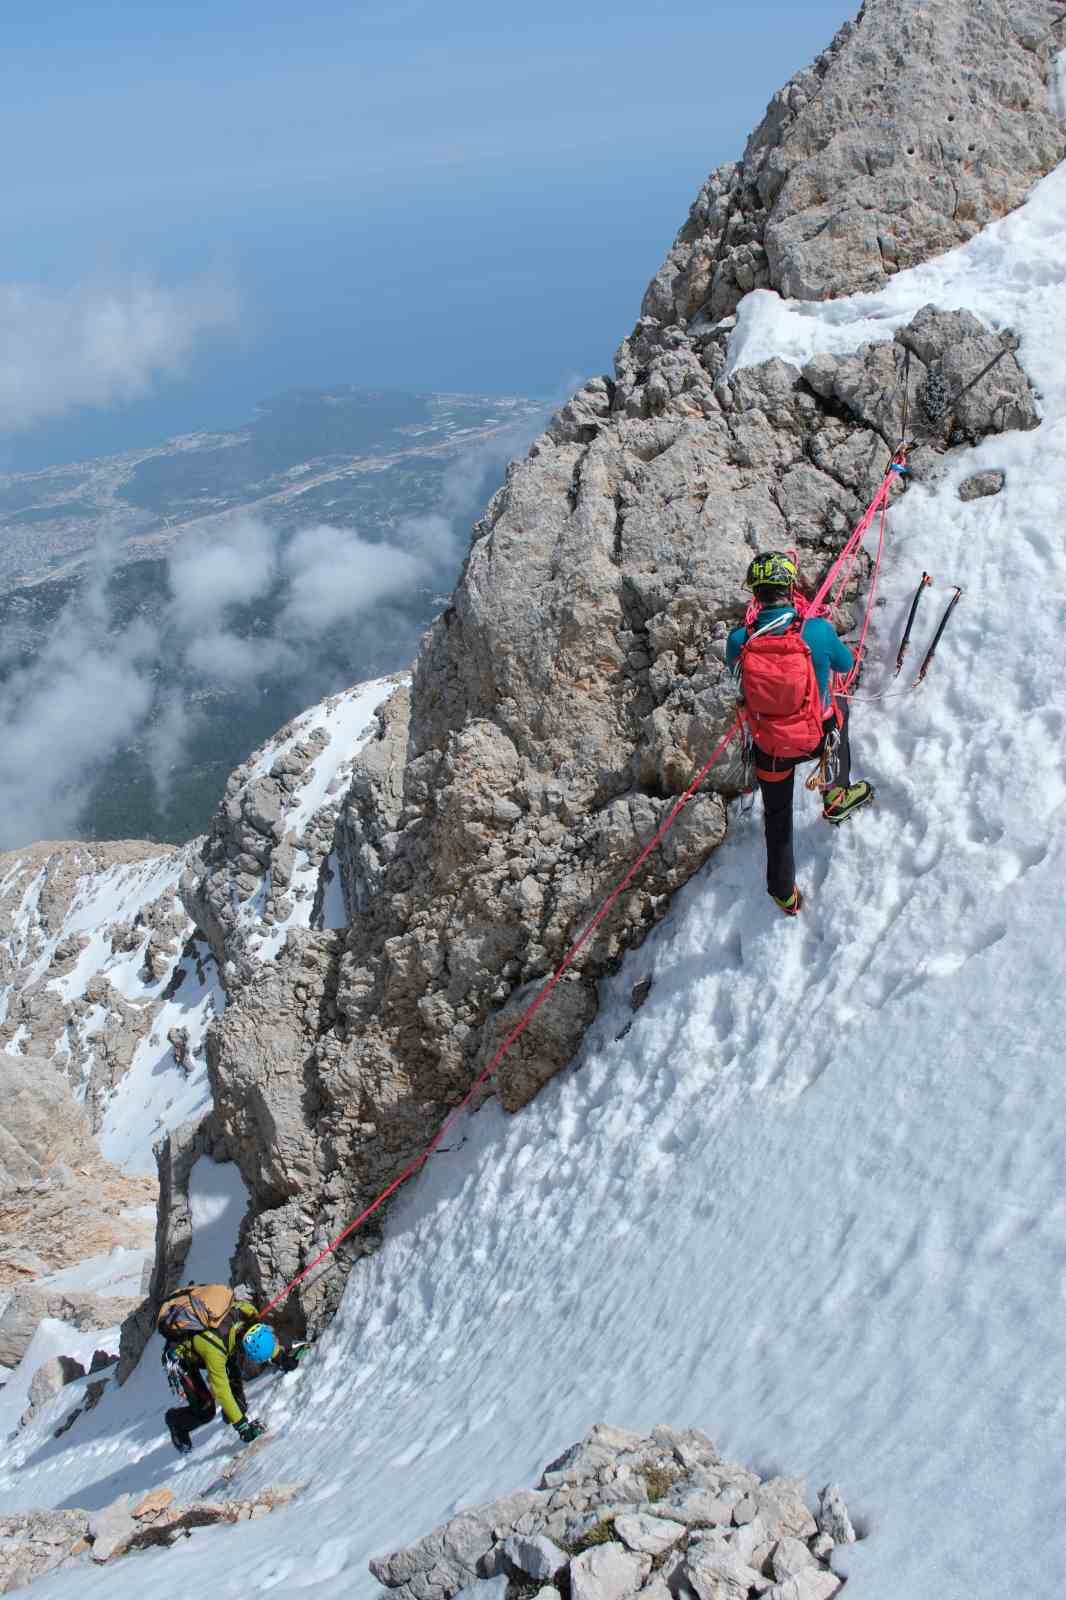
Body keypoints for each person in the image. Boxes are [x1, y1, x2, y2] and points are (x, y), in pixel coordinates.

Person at [726, 551, 873, 915]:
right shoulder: (817, 631)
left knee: (777, 816)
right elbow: (845, 665)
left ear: (755, 593)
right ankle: (835, 796)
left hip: (771, 747)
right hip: (816, 739)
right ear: (791, 588)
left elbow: (736, 672)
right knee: (839, 710)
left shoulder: (739, 639)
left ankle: (783, 893)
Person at [158, 1283, 303, 1454]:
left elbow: (260, 1338)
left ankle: (233, 1413)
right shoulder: (215, 1350)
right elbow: (221, 1390)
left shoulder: (248, 1313)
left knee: (237, 1398)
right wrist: (242, 1426)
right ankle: (176, 1422)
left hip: (217, 1342)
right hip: (182, 1359)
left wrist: (282, 1359)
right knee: (206, 1410)